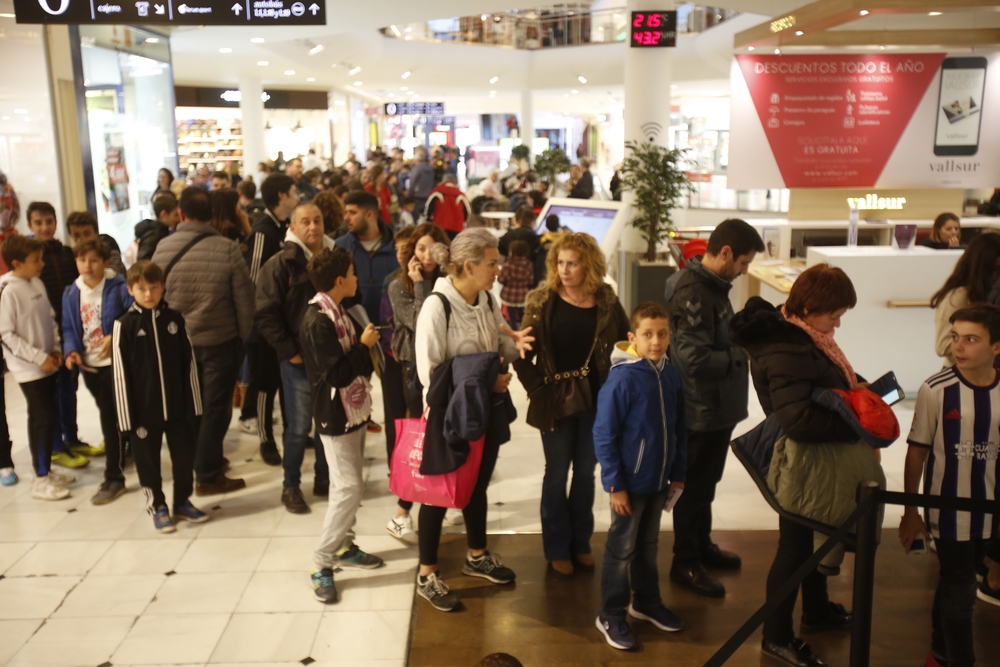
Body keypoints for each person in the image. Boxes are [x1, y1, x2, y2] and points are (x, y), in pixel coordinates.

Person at [729, 264, 864, 667]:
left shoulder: (798, 336)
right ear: (807, 308)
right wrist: (852, 421)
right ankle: (777, 637)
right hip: (802, 459)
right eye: (833, 316)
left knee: (812, 538)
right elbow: (799, 420)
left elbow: (820, 384)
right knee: (794, 548)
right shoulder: (786, 348)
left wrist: (859, 391)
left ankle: (816, 611)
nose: (837, 326)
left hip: (812, 457)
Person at [413, 228, 534, 612]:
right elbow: (430, 375)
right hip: (449, 418)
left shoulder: (485, 298)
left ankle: (476, 555)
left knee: (477, 486)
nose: (500, 269)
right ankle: (427, 574)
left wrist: (513, 346)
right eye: (493, 263)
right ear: (469, 266)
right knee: (439, 496)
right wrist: (486, 379)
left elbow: (495, 347)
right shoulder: (438, 305)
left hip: (485, 411)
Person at [514, 231, 630, 578]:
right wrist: (536, 388)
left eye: (572, 263)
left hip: (597, 403)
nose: (564, 270)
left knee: (586, 474)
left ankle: (581, 542)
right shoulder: (542, 301)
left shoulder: (607, 302)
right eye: (560, 263)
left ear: (589, 266)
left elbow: (625, 348)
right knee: (556, 474)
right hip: (556, 404)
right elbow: (522, 353)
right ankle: (556, 546)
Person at [665, 218, 764, 598]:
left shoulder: (713, 287)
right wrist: (738, 355)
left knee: (706, 485)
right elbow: (691, 356)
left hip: (716, 408)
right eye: (742, 263)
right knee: (692, 488)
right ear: (725, 253)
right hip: (700, 409)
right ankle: (685, 562)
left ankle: (701, 545)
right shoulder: (695, 292)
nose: (744, 271)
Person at [901, 304, 1000, 667]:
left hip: (989, 512)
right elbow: (917, 453)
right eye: (956, 337)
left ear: (997, 346)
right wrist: (911, 512)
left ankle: (939, 651)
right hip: (948, 511)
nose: (958, 347)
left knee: (954, 580)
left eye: (971, 339)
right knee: (961, 590)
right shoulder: (935, 389)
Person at [593, 302, 687, 650]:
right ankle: (611, 613)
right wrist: (615, 485)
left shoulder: (670, 373)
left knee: (649, 546)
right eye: (648, 334)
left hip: (659, 480)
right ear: (633, 337)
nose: (656, 341)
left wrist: (678, 474)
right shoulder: (623, 379)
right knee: (621, 550)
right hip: (630, 485)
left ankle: (646, 602)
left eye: (662, 334)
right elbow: (604, 434)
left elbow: (679, 428)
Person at [152, 187, 254, 496]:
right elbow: (244, 302)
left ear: (180, 214)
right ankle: (207, 474)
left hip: (176, 343)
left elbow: (156, 299)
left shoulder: (162, 249)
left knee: (188, 407)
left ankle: (201, 461)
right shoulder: (227, 249)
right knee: (215, 407)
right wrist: (245, 338)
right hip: (219, 340)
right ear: (211, 215)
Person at [301, 247, 385, 603]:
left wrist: (364, 351)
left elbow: (354, 366)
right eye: (352, 273)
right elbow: (335, 374)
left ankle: (345, 546)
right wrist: (363, 348)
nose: (356, 278)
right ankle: (321, 561)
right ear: (339, 281)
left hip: (353, 409)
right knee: (348, 488)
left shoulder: (339, 311)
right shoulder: (317, 319)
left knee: (347, 485)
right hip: (334, 413)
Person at [114, 260, 209, 533]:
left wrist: (194, 405)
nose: (148, 294)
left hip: (178, 408)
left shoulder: (174, 320)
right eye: (141, 288)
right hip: (143, 412)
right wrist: (125, 419)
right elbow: (119, 373)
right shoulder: (125, 324)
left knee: (183, 457)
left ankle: (182, 501)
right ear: (131, 290)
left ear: (162, 287)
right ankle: (157, 505)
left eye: (153, 287)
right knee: (148, 461)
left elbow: (189, 363)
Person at [256, 202, 335, 512]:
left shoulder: (334, 258)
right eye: (305, 221)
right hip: (298, 362)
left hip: (330, 360)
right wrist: (290, 351)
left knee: (328, 425)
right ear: (293, 226)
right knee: (299, 428)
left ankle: (325, 479)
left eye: (317, 220)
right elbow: (265, 313)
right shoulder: (281, 264)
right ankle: (290, 486)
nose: (313, 227)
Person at [386, 224, 449, 542]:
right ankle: (402, 512)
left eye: (432, 248)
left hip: (444, 370)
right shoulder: (400, 285)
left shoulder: (449, 280)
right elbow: (421, 321)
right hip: (414, 371)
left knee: (442, 438)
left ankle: (438, 499)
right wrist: (420, 283)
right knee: (420, 441)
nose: (426, 255)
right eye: (420, 248)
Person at [61, 239, 132, 505]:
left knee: (112, 418)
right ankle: (119, 465)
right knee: (111, 416)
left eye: (93, 260)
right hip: (89, 366)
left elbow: (132, 315)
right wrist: (72, 351)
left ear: (104, 262)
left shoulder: (119, 288)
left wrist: (115, 334)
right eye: (82, 260)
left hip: (115, 365)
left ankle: (114, 476)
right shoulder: (71, 293)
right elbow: (69, 327)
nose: (87, 266)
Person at [0, 235, 68, 499]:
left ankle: (47, 469)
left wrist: (56, 349)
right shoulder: (8, 289)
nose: (41, 264)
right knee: (41, 417)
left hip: (49, 361)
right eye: (36, 261)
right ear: (16, 263)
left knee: (50, 416)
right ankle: (40, 479)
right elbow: (6, 334)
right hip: (29, 367)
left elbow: (50, 319)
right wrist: (38, 357)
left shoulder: (36, 282)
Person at [29, 202, 93, 469]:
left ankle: (72, 438)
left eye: (49, 221)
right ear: (31, 226)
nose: (44, 227)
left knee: (69, 389)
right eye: (38, 222)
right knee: (50, 395)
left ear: (56, 223)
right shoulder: (30, 258)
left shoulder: (68, 253)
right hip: (45, 337)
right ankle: (56, 446)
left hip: (71, 333)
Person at [241, 173, 298, 464]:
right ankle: (266, 438)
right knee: (265, 382)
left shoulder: (281, 227)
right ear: (281, 196)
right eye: (293, 191)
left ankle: (295, 433)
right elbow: (255, 278)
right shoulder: (264, 231)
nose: (297, 195)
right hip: (263, 323)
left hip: (281, 319)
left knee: (286, 379)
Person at [931, 232, 1000, 367]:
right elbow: (942, 345)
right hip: (960, 374)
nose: (997, 277)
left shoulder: (992, 291)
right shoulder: (959, 295)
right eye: (995, 270)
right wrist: (982, 347)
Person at [65, 211, 125, 275]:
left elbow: (113, 274)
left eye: (87, 234)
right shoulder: (70, 256)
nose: (82, 239)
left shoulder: (108, 247)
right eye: (76, 235)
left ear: (96, 233)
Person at [498, 240, 533, 331]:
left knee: (511, 317)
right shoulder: (529, 264)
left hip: (509, 295)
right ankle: (524, 330)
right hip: (523, 295)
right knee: (523, 315)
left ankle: (513, 333)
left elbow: (501, 280)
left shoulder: (508, 265)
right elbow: (530, 281)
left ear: (512, 252)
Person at [134, 193, 181, 262]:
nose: (178, 219)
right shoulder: (155, 234)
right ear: (164, 214)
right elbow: (144, 260)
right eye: (175, 215)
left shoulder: (162, 230)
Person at [424, 174, 471, 240]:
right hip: (457, 228)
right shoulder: (461, 194)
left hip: (439, 227)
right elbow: (467, 213)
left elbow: (427, 210)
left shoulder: (436, 191)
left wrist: (429, 224)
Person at [407, 149, 435, 221]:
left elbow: (412, 182)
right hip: (428, 197)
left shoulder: (417, 169)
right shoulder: (431, 168)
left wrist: (410, 195)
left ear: (417, 160)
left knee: (416, 219)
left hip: (417, 198)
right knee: (427, 218)